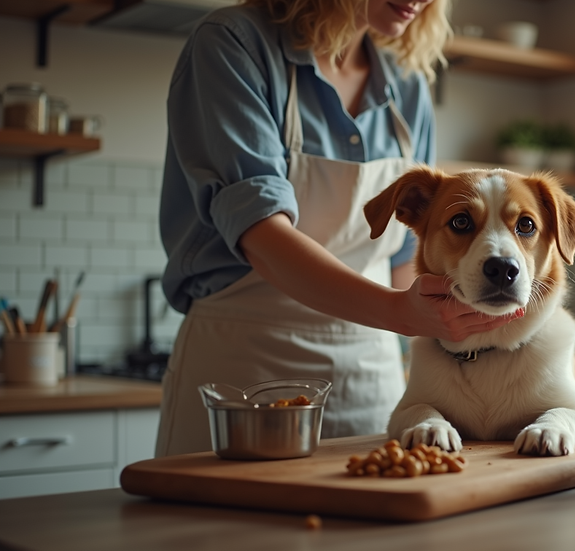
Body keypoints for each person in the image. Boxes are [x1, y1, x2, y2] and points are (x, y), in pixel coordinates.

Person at [155, 0, 517, 457]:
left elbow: (412, 256)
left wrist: (461, 341)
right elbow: (260, 234)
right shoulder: (233, 43)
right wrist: (398, 312)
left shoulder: (406, 85)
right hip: (245, 372)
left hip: (372, 377)